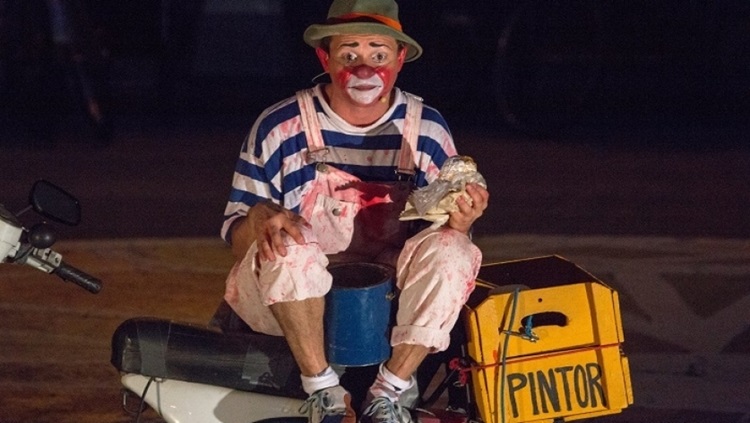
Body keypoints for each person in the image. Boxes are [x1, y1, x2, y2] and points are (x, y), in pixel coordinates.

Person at [220, 0, 489, 422]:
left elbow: (442, 246)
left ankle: (390, 392)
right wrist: (258, 220)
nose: (364, 69)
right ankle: (322, 391)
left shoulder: (426, 131)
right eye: (349, 54)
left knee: (455, 249)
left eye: (378, 55)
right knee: (286, 245)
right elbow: (237, 240)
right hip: (291, 306)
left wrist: (461, 221)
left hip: (385, 312)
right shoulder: (280, 128)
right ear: (324, 58)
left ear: (399, 59)